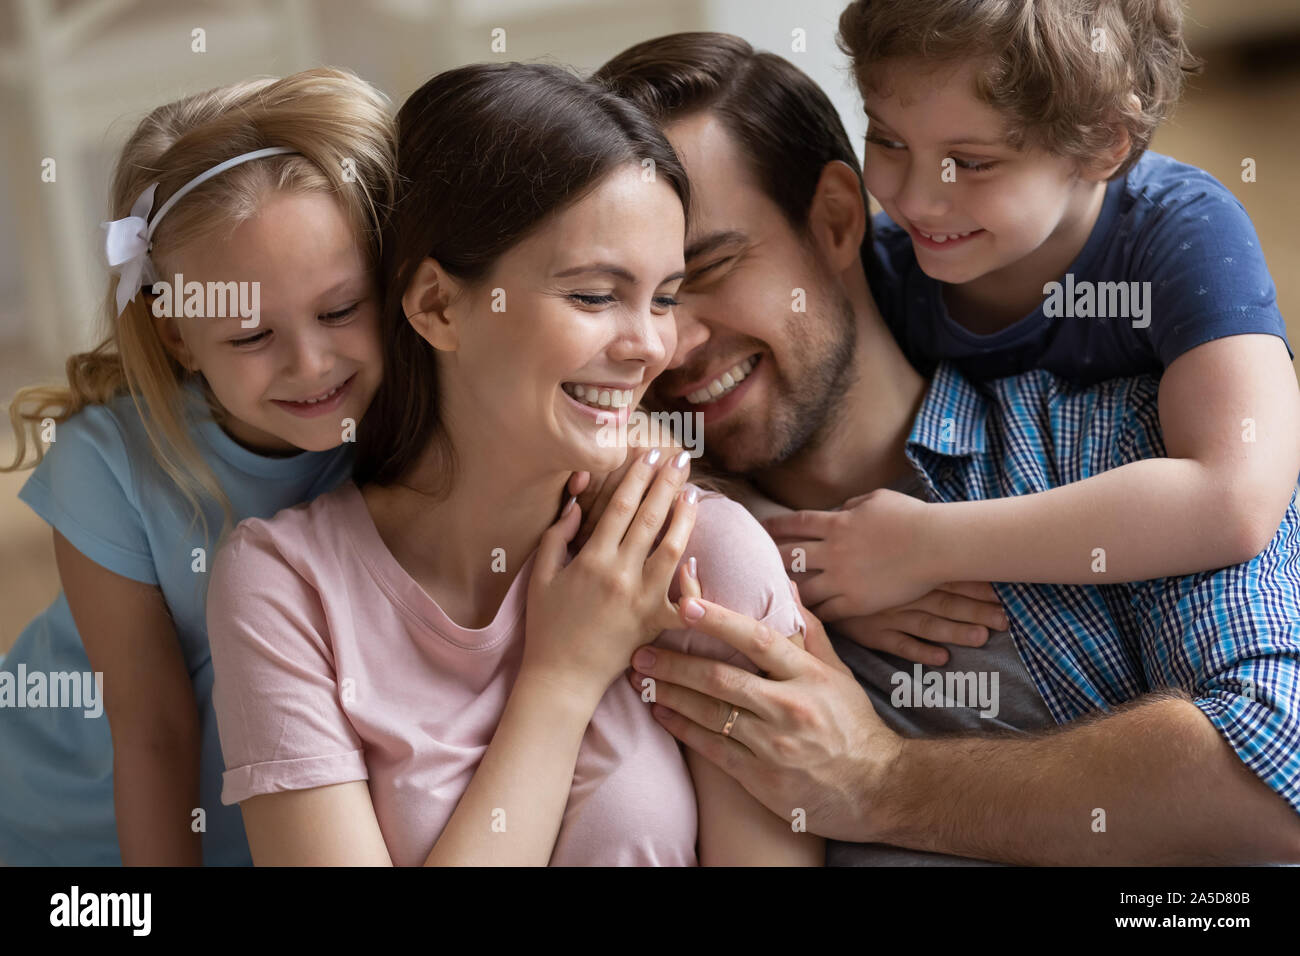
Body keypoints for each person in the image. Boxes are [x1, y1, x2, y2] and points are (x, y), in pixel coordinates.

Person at [593, 31, 1300, 864]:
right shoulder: (632, 572)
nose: (664, 345)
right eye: (613, 296)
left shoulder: (1121, 444)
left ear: (835, 220)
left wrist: (881, 782)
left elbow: (1276, 767)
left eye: (704, 272)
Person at [204, 62, 820, 866]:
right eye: (596, 296)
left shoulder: (702, 556)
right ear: (435, 305)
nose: (649, 349)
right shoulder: (283, 586)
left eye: (663, 298)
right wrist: (559, 683)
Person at [776, 0, 1300, 621]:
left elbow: (1234, 498)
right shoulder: (884, 270)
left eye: (971, 163)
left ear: (1104, 144)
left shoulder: (1182, 233)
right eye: (887, 140)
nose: (914, 198)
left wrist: (923, 546)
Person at [0, 68, 397, 865]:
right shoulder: (106, 467)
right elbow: (153, 732)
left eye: (341, 309)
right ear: (180, 334)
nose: (311, 364)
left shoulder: (416, 422)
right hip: (59, 820)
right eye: (251, 337)